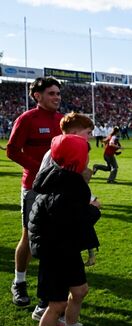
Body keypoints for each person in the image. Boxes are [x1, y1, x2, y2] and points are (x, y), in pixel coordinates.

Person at [29, 134, 102, 326]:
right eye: (86, 154)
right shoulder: (67, 185)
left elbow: (70, 221)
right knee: (56, 304)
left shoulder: (66, 179)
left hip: (66, 249)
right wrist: (94, 210)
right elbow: (69, 219)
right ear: (77, 158)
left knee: (79, 291)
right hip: (55, 253)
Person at [6, 76, 63, 308]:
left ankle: (48, 293)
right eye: (52, 93)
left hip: (57, 188)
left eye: (58, 94)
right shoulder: (26, 119)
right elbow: (12, 150)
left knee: (55, 239)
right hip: (33, 187)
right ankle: (19, 283)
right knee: (28, 238)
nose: (57, 97)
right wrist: (39, 170)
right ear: (37, 96)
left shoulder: (62, 120)